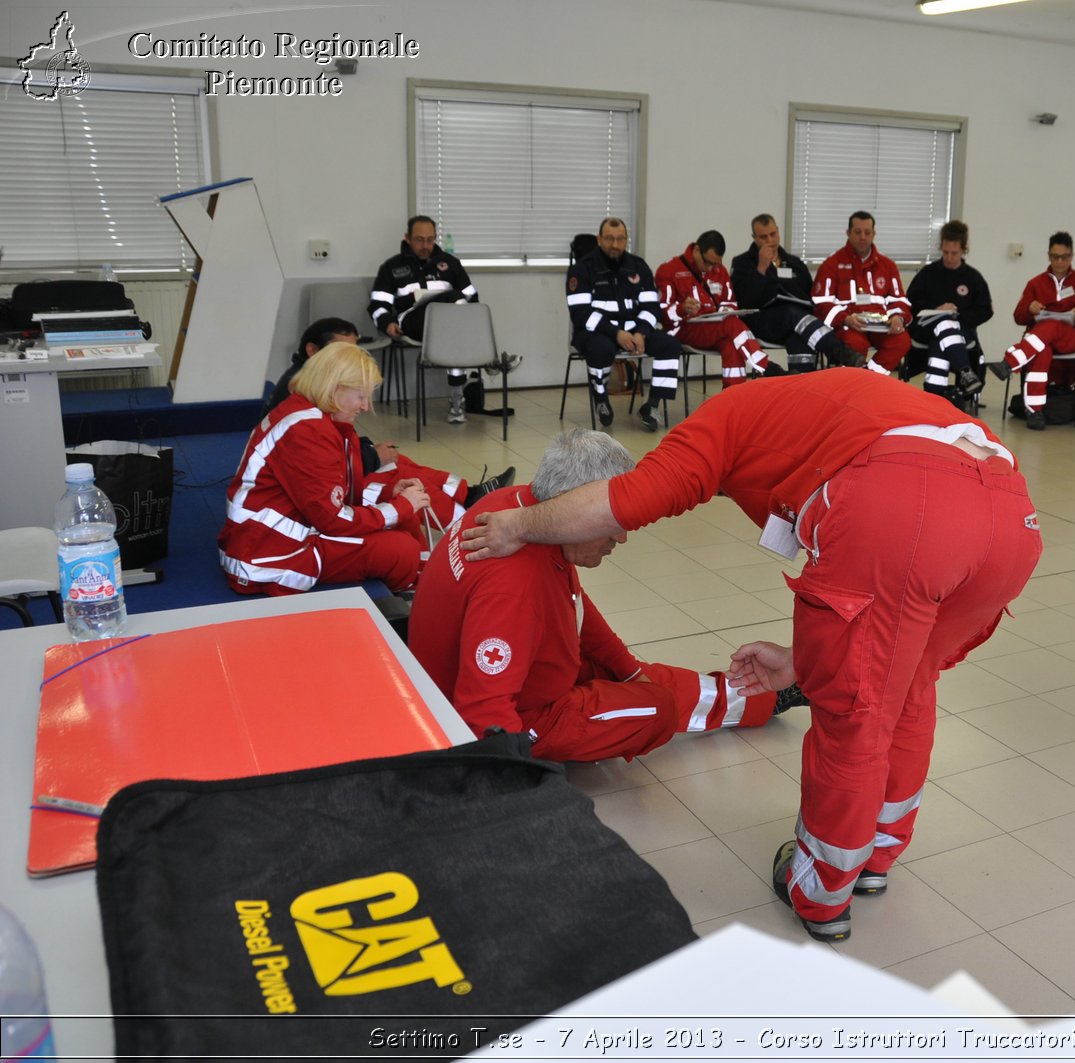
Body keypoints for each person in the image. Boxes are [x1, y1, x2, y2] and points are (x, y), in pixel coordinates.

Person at [460, 371, 1041, 943]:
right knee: (910, 687)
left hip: (906, 508)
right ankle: (877, 858)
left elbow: (627, 501)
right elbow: (886, 632)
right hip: (1008, 512)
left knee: (853, 715)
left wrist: (519, 523)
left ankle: (822, 890)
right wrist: (803, 660)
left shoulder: (719, 423)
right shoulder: (814, 409)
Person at [408, 430, 798, 760]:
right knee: (658, 708)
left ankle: (761, 699)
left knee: (639, 676)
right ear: (576, 511)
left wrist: (628, 670)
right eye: (612, 521)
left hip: (525, 669)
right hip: (518, 713)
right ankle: (743, 700)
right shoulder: (513, 590)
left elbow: (572, 601)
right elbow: (483, 717)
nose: (621, 536)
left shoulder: (513, 508)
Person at [220, 342, 431, 595]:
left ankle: (418, 583)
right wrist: (399, 507)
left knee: (402, 519)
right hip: (270, 557)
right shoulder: (308, 430)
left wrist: (390, 497)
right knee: (401, 550)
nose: (366, 406)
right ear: (333, 388)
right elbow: (333, 519)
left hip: (267, 542)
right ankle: (411, 594)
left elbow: (332, 492)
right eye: (361, 396)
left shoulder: (314, 416)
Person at [264, 317, 514, 523]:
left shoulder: (308, 380)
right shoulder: (301, 389)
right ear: (313, 351)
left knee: (396, 460)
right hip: (318, 490)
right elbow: (320, 459)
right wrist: (371, 456)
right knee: (394, 474)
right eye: (342, 351)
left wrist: (368, 451)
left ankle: (469, 495)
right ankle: (470, 522)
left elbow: (330, 444)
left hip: (326, 472)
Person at [568, 217, 682, 432]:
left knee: (671, 345)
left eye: (620, 239)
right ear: (599, 239)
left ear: (626, 240)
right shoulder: (583, 269)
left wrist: (642, 333)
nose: (615, 244)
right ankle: (600, 397)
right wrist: (615, 333)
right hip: (596, 332)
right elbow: (580, 313)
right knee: (602, 348)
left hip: (634, 332)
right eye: (609, 238)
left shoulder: (638, 266)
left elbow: (652, 307)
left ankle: (651, 406)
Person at [368, 215, 478, 424]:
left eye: (430, 239)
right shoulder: (391, 267)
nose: (425, 245)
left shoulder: (450, 264)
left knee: (456, 334)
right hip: (412, 323)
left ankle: (457, 399)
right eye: (419, 240)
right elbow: (377, 305)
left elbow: (473, 298)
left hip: (449, 326)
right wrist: (387, 324)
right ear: (407, 238)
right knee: (454, 298)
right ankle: (488, 358)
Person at [993, 232, 1075, 431]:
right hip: (1041, 340)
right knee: (1042, 350)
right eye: (1055, 256)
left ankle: (1010, 362)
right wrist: (1029, 310)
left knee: (1052, 326)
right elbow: (1018, 317)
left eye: (1064, 257)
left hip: (1071, 338)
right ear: (1048, 255)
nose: (1059, 261)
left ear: (1072, 256)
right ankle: (1035, 411)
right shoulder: (1036, 283)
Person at [729, 214, 854, 373]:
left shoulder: (794, 263)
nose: (770, 240)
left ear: (778, 232)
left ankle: (801, 381)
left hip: (796, 323)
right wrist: (761, 268)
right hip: (762, 322)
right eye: (763, 237)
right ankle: (837, 350)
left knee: (799, 338)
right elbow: (744, 302)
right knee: (790, 313)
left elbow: (809, 297)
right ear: (754, 238)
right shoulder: (742, 263)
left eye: (773, 234)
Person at [656, 231, 770, 387]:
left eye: (716, 263)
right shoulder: (669, 270)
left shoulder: (719, 270)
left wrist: (724, 311)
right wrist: (682, 309)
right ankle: (766, 367)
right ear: (696, 250)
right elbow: (661, 313)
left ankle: (732, 397)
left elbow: (730, 301)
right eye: (708, 262)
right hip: (683, 329)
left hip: (715, 328)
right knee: (730, 324)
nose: (711, 268)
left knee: (731, 346)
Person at [811, 211, 912, 375]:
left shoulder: (887, 265)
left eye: (867, 232)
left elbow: (899, 300)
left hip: (882, 325)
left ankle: (869, 378)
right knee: (855, 346)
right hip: (849, 324)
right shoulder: (832, 264)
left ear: (874, 234)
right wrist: (845, 318)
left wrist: (898, 318)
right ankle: (857, 387)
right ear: (848, 233)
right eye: (858, 232)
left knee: (901, 341)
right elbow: (821, 304)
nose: (863, 237)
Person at [905, 220, 990, 405]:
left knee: (942, 336)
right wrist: (936, 309)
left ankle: (933, 397)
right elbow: (910, 301)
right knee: (943, 322)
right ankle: (965, 372)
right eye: (945, 253)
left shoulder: (973, 278)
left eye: (954, 253)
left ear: (963, 250)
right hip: (926, 328)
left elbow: (985, 310)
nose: (949, 257)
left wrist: (959, 316)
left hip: (961, 330)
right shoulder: (928, 273)